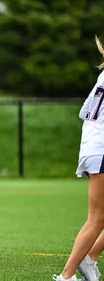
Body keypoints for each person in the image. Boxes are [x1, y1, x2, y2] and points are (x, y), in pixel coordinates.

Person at [53, 37, 104, 281]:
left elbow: (85, 111)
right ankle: (66, 277)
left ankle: (90, 258)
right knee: (96, 219)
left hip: (94, 145)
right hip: (101, 148)